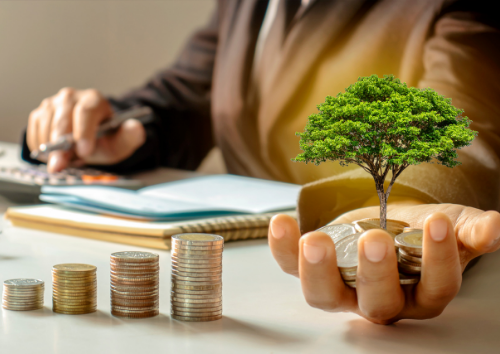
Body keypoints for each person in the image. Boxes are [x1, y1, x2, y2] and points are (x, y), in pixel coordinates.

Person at [23, 0, 500, 323]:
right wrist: (126, 130)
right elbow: (186, 98)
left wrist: (404, 203)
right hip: (253, 289)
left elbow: (462, 120)